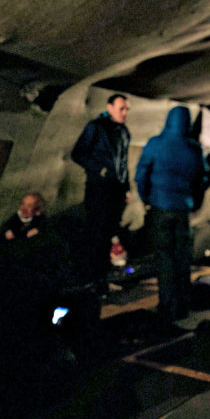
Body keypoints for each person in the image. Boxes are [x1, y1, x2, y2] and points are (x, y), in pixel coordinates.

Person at [135, 106, 204, 323]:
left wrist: (147, 199)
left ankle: (167, 306)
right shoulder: (193, 149)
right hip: (182, 210)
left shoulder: (155, 144)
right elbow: (200, 179)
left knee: (164, 258)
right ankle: (183, 305)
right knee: (182, 257)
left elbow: (141, 174)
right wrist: (194, 203)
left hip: (160, 207)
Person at [71, 94, 131, 282]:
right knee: (96, 232)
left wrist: (126, 187)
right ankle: (90, 276)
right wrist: (99, 169)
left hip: (116, 190)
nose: (125, 113)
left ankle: (101, 276)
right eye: (121, 108)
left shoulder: (124, 132)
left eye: (126, 109)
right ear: (109, 107)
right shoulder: (96, 127)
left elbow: (123, 162)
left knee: (110, 234)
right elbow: (77, 153)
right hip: (98, 189)